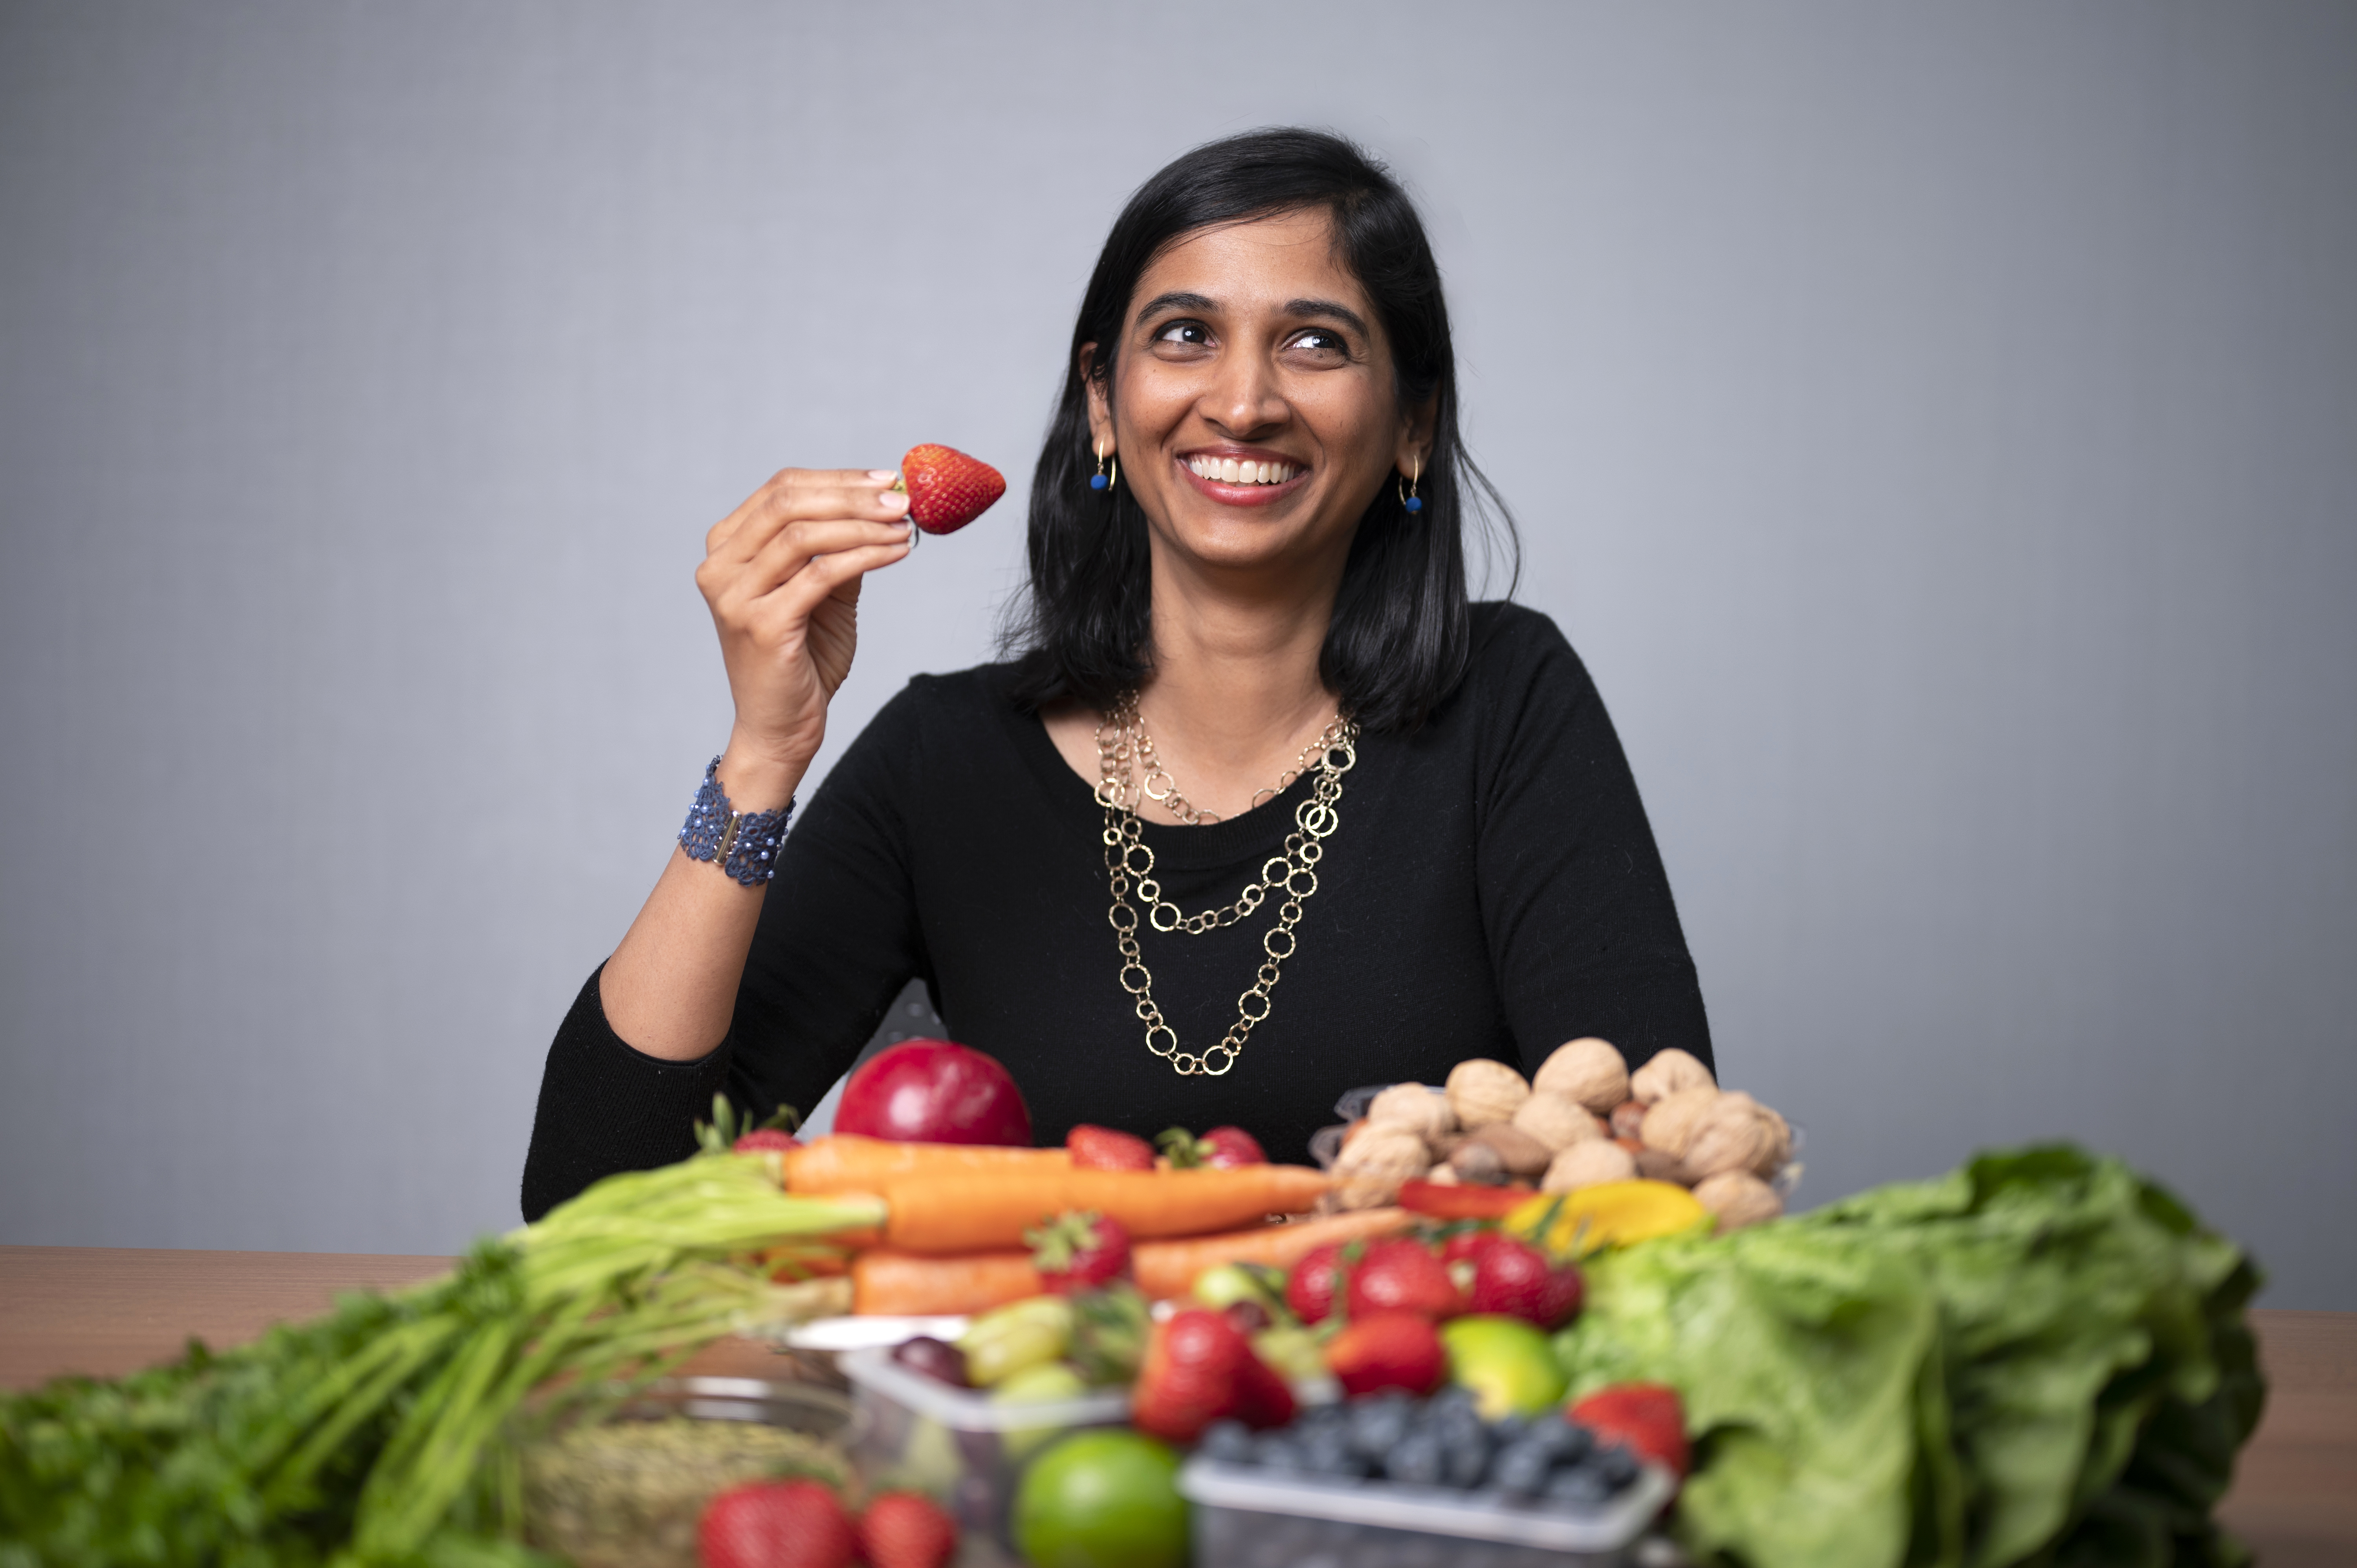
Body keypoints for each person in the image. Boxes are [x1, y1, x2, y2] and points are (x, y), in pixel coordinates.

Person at [521, 128, 1710, 1220]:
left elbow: (1649, 1175)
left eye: (1316, 342)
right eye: (1185, 334)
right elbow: (595, 1201)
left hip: (1402, 1413)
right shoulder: (946, 759)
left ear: (1411, 423)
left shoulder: (1509, 699)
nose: (1242, 403)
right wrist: (762, 757)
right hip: (1042, 1427)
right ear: (1102, 402)